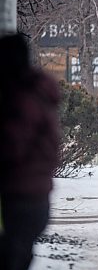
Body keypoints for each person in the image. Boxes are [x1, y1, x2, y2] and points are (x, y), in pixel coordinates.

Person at [0, 33, 61, 270]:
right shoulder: (37, 94)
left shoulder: (23, 100)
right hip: (34, 195)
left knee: (13, 256)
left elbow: (11, 144)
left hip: (20, 196)